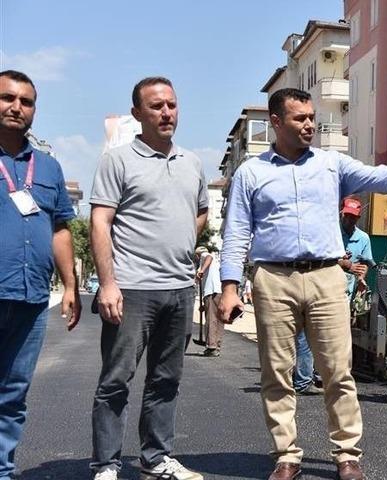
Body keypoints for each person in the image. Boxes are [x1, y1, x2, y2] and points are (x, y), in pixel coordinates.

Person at [218, 88, 387, 480]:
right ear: (277, 122)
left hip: (327, 277)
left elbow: (380, 175)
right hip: (273, 278)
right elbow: (235, 234)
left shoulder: (332, 164)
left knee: (337, 370)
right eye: (300, 118)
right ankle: (286, 455)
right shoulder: (251, 173)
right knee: (276, 372)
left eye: (312, 117)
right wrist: (229, 285)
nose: (311, 125)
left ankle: (347, 454)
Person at [88, 77, 208, 480]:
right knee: (116, 379)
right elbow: (100, 222)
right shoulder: (118, 160)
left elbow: (202, 211)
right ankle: (106, 464)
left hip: (179, 288)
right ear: (137, 113)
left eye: (171, 105)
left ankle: (155, 458)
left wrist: (182, 244)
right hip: (132, 288)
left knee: (166, 379)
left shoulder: (191, 162)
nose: (166, 113)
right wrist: (108, 283)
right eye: (156, 106)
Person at [0, 69, 80, 480]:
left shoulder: (48, 167)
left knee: (14, 392)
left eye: (25, 102)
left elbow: (62, 228)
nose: (16, 107)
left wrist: (70, 285)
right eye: (8, 98)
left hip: (31, 297)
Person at [340, 197, 374, 302]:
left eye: (353, 217)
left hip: (351, 291)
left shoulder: (363, 238)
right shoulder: (332, 234)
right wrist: (345, 264)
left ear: (358, 217)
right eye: (347, 215)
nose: (349, 219)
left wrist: (361, 278)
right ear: (341, 213)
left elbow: (365, 263)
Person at [195, 246, 223, 357]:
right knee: (218, 320)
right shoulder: (216, 262)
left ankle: (211, 346)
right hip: (218, 291)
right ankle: (216, 346)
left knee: (211, 319)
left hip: (211, 291)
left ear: (197, 255)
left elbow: (208, 257)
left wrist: (201, 270)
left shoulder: (204, 256)